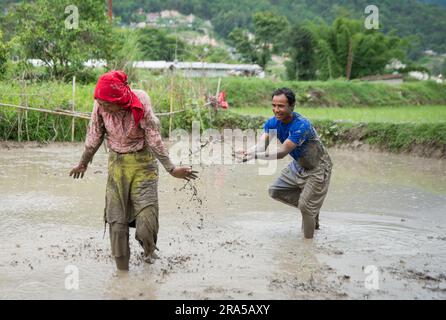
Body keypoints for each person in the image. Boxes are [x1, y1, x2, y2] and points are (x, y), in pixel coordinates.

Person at [69, 71, 197, 270]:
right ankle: (122, 276)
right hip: (117, 166)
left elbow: (153, 137)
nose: (103, 106)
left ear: (119, 99)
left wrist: (171, 169)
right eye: (100, 102)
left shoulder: (141, 99)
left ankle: (149, 253)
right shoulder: (100, 105)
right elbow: (94, 136)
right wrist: (83, 163)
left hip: (144, 164)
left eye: (107, 103)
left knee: (146, 223)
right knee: (117, 223)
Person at [237, 88, 332, 239]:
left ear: (292, 106)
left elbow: (282, 152)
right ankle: (310, 209)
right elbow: (262, 145)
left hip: (317, 167)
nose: (276, 110)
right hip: (298, 164)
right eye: (274, 105)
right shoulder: (273, 122)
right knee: (275, 191)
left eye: (280, 106)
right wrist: (249, 152)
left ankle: (307, 245)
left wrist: (255, 156)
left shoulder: (301, 125)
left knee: (305, 207)